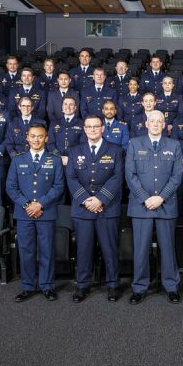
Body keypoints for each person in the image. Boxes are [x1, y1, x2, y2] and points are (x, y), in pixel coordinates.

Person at [125, 110, 183, 304]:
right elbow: (130, 175)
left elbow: (176, 176)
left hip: (165, 206)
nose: (156, 124)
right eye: (153, 121)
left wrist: (160, 198)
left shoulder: (174, 145)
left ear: (164, 124)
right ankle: (139, 287)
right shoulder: (134, 144)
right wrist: (145, 198)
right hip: (141, 207)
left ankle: (171, 286)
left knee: (168, 248)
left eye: (160, 121)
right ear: (146, 123)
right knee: (141, 249)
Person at [66, 115, 124, 303]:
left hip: (107, 208)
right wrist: (86, 200)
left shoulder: (115, 150)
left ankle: (113, 285)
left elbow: (117, 177)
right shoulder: (75, 151)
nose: (92, 130)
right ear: (84, 129)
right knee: (83, 249)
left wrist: (100, 199)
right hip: (83, 209)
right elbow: (71, 178)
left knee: (109, 249)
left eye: (96, 126)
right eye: (89, 126)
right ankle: (82, 285)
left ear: (102, 129)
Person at [7, 123, 65, 302]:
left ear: (46, 138)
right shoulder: (17, 159)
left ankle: (47, 286)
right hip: (24, 214)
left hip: (45, 213)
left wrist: (39, 204)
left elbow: (58, 186)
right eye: (33, 136)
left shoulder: (54, 160)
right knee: (26, 250)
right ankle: (28, 286)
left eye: (40, 136)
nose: (36, 140)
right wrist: (27, 205)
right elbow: (11, 187)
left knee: (47, 250)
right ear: (27, 138)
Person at [47, 97, 84, 163]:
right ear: (62, 107)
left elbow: (83, 144)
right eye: (65, 104)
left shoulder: (82, 123)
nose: (68, 107)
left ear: (75, 107)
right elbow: (50, 143)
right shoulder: (54, 123)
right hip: (56, 159)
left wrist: (71, 157)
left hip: (75, 159)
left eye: (71, 104)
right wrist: (58, 156)